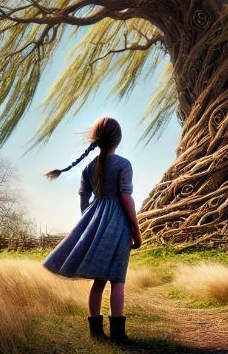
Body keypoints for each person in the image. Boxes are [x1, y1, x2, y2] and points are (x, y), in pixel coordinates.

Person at [43, 117, 142, 345]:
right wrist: (136, 229)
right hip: (119, 224)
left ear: (96, 139)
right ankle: (118, 334)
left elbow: (83, 197)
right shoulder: (123, 165)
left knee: (98, 281)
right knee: (117, 280)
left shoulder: (88, 168)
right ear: (118, 139)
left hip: (95, 220)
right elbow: (126, 198)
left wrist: (89, 220)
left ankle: (96, 333)